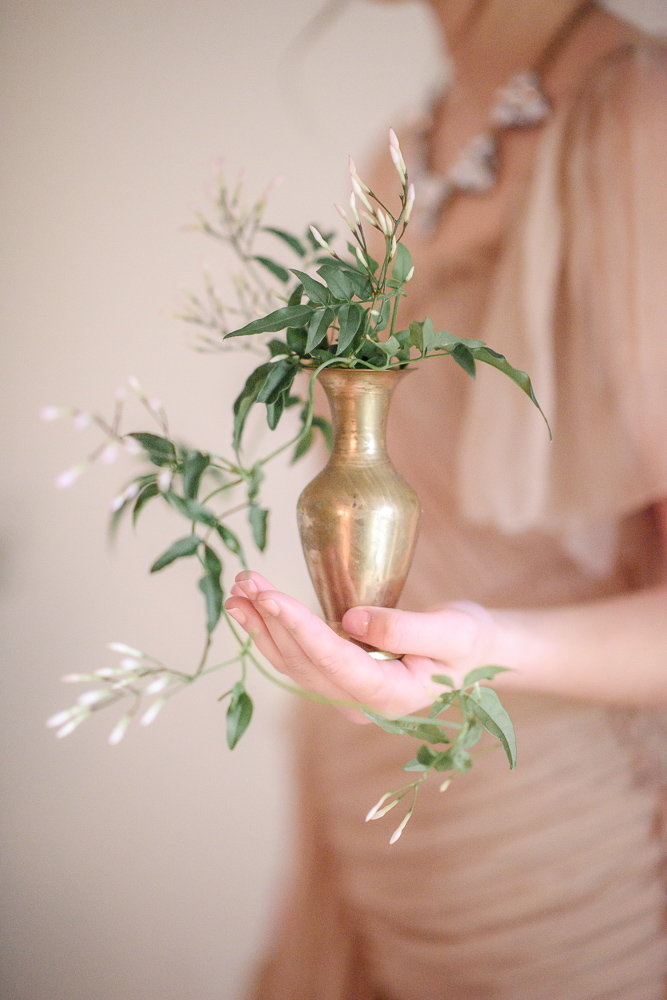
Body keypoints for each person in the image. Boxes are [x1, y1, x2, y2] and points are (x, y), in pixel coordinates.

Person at [225, 1, 667, 996]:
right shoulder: (394, 165)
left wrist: (484, 647)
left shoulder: (641, 118)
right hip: (365, 806)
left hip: (538, 846)